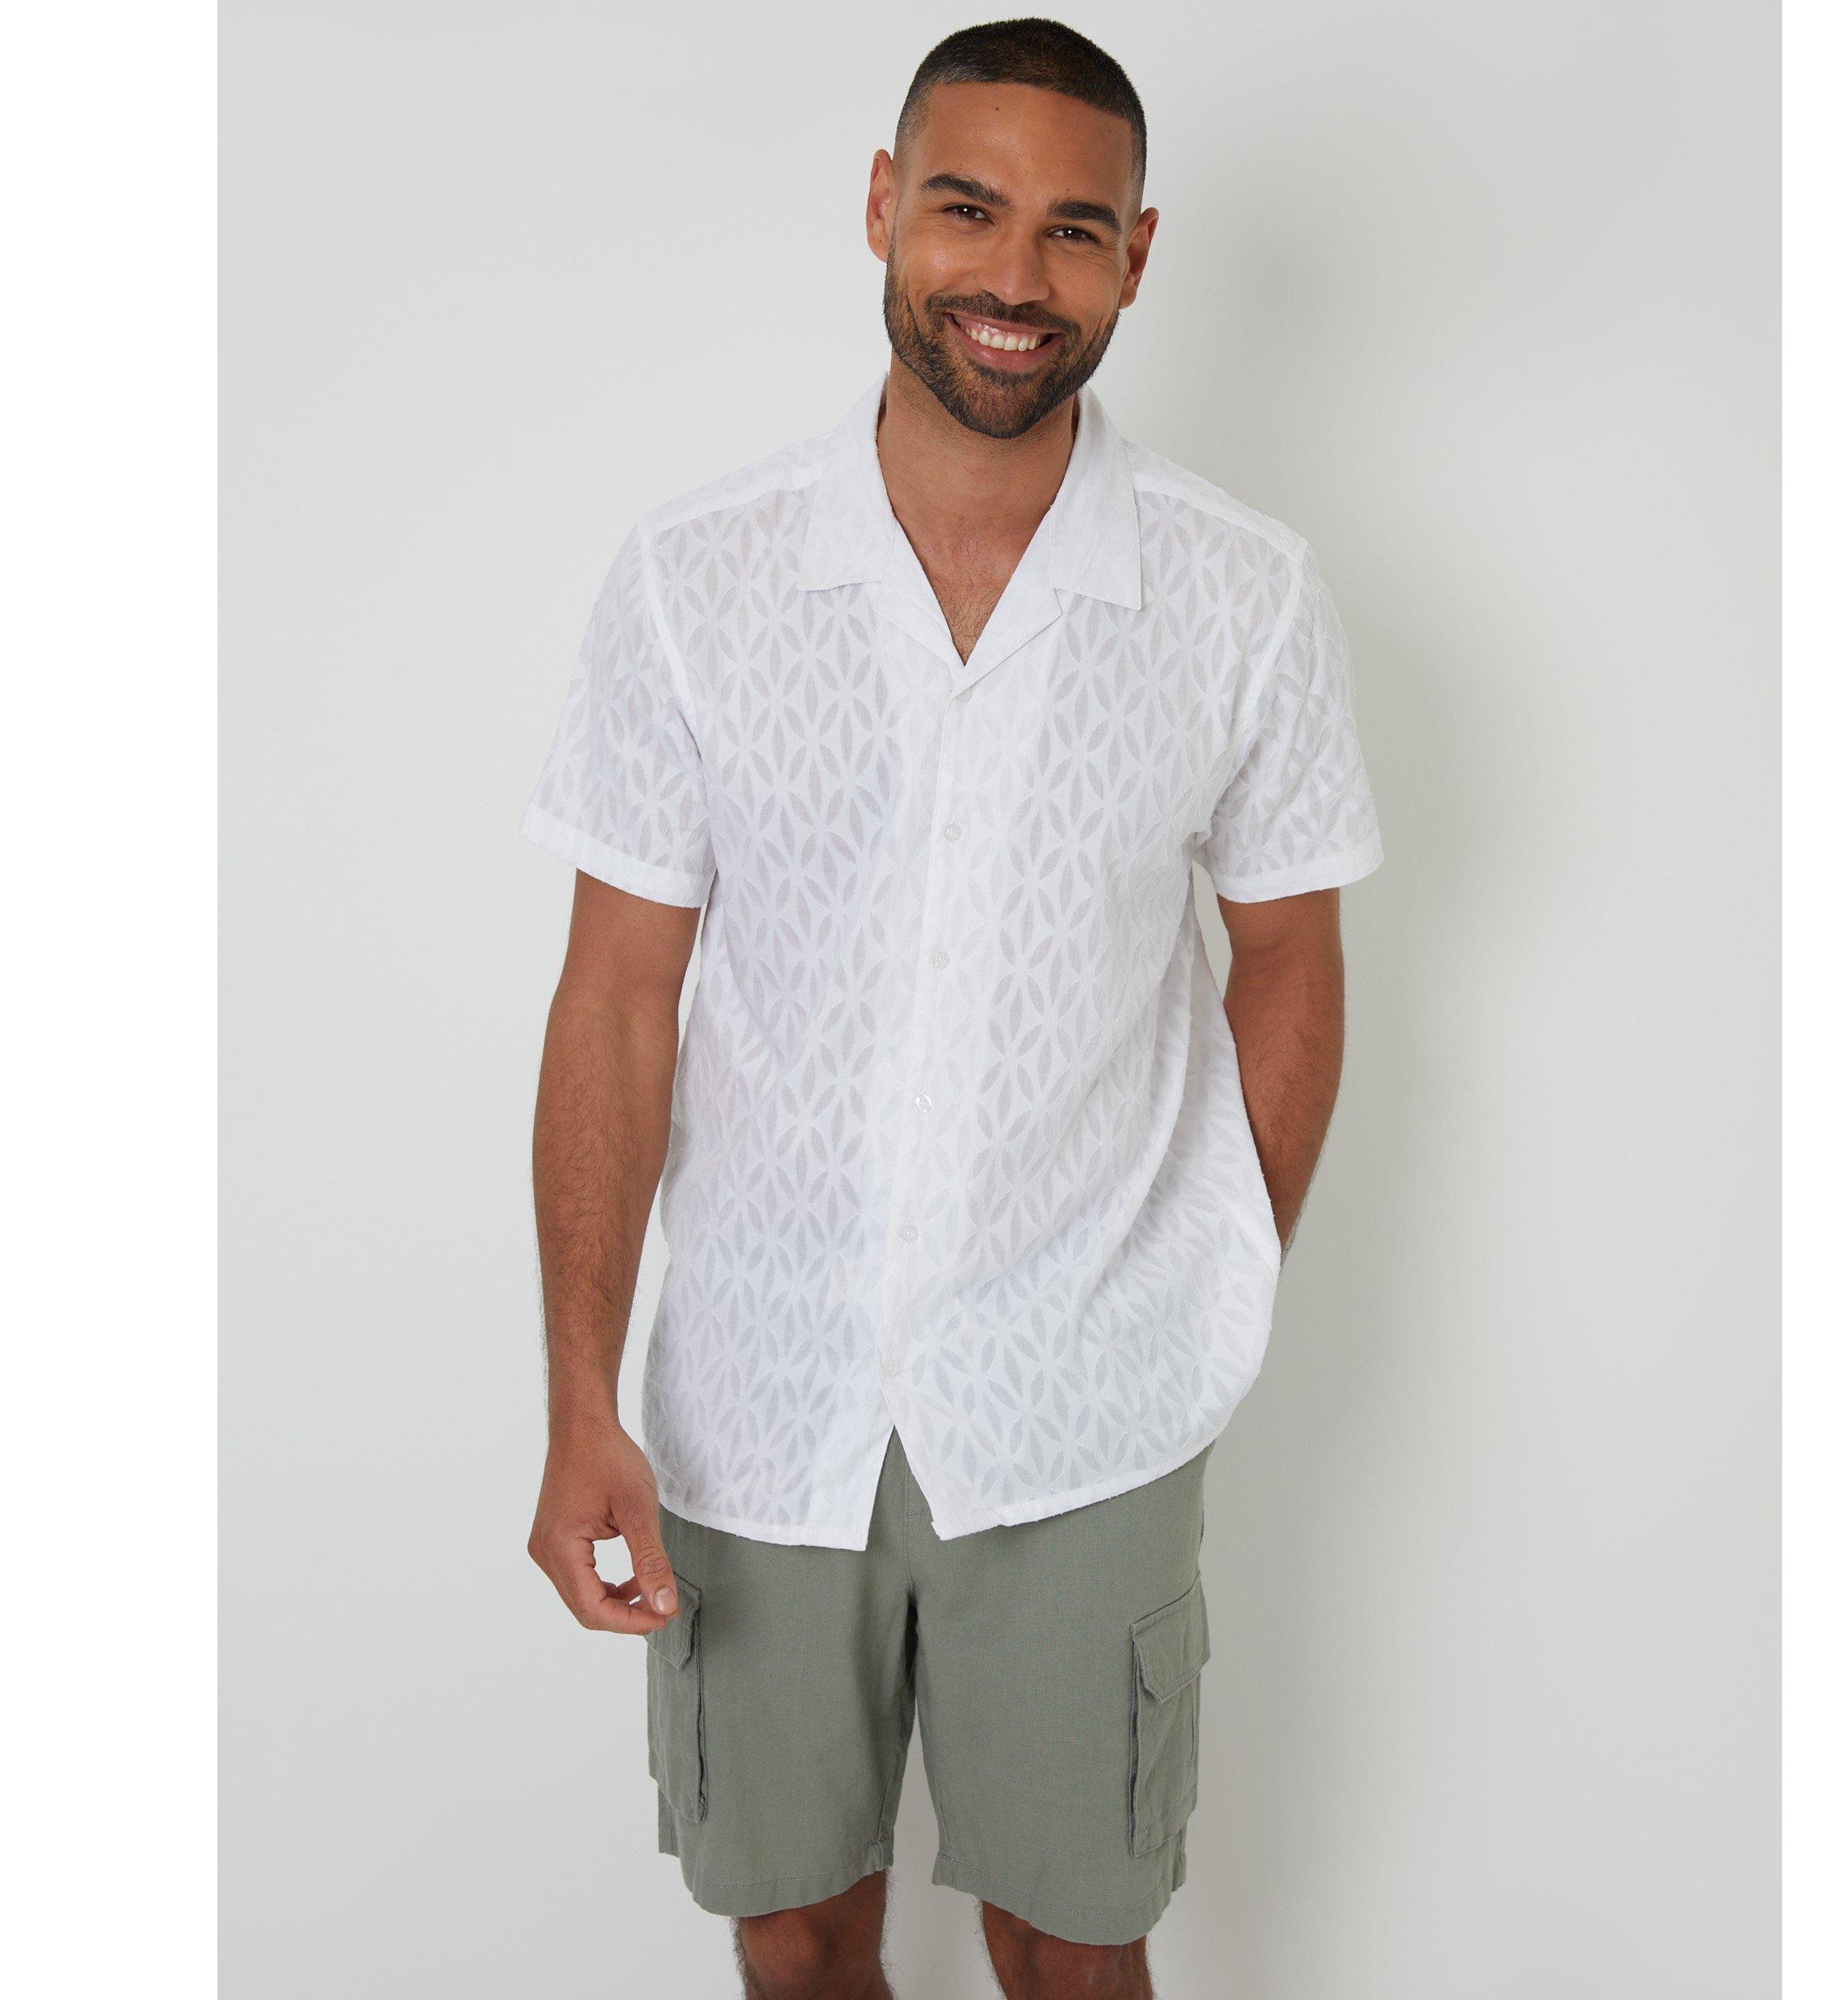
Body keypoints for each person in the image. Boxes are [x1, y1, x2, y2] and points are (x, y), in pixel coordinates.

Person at [521, 18, 1382, 1997]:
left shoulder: (1241, 596)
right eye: (967, 208)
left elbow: (1289, 951)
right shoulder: (693, 582)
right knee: (796, 1931)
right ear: (881, 208)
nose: (1014, 275)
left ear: (1136, 256)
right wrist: (578, 1394)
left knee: (1073, 1945)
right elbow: (615, 997)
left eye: (1072, 229)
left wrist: (1208, 1269)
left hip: (1083, 1399)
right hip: (754, 1397)